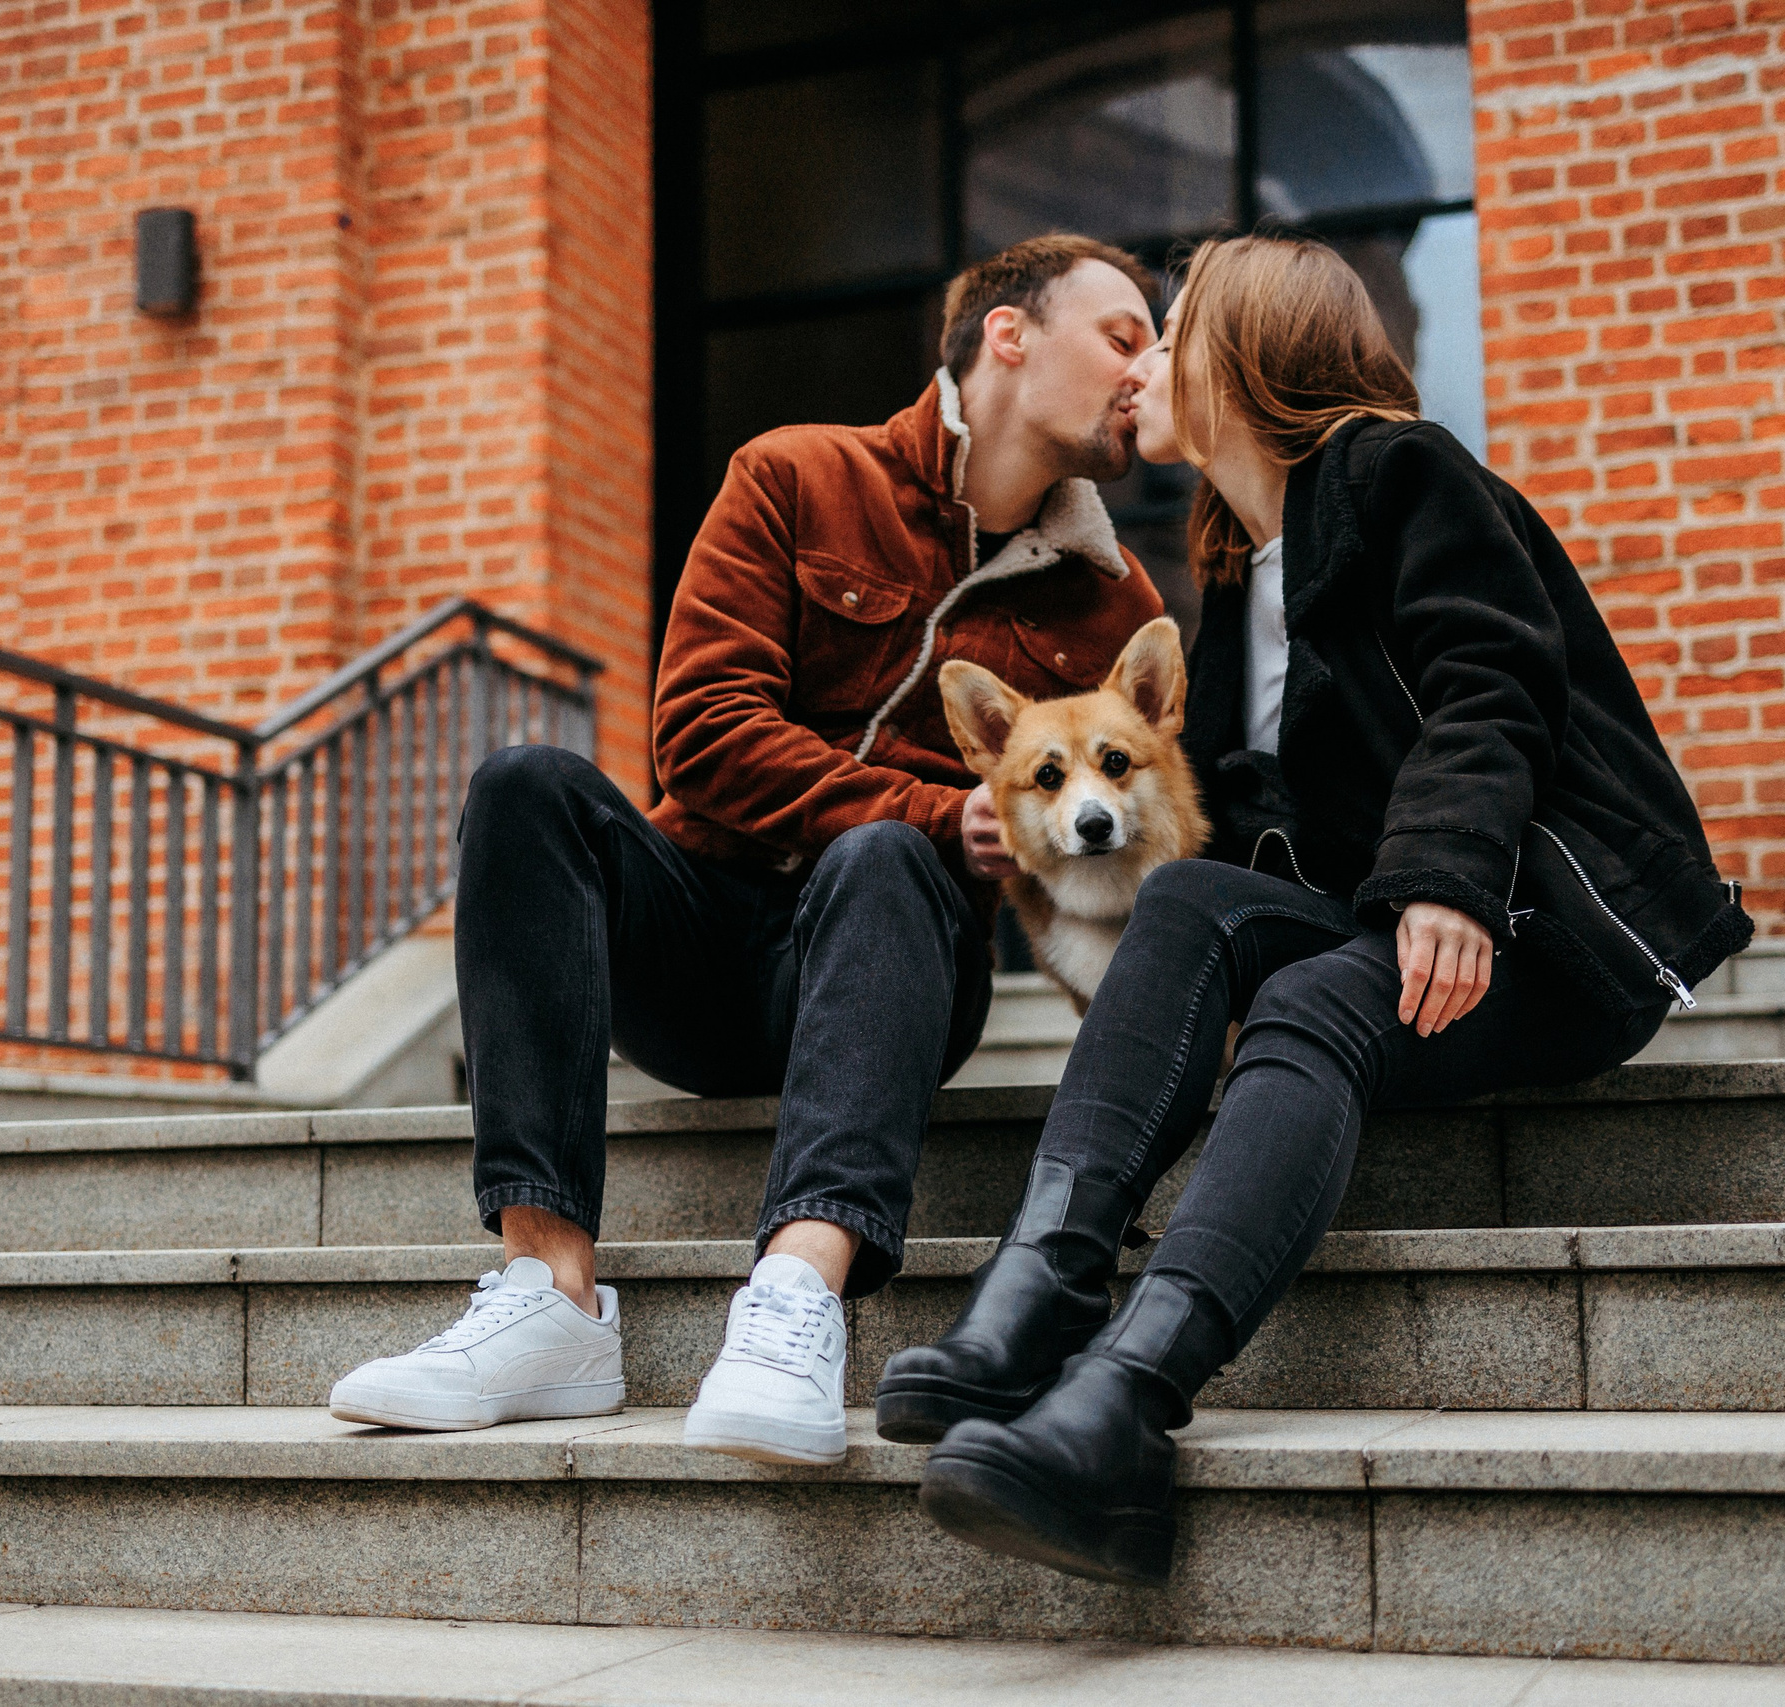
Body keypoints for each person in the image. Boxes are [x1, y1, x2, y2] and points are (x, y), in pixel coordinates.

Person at [880, 234, 1752, 1581]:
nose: (1143, 364)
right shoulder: (1240, 571)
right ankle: (1035, 1296)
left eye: (1167, 336)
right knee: (1186, 911)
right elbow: (1250, 804)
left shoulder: (1403, 473)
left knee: (1312, 992)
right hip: (1385, 925)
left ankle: (1127, 1403)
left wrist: (1450, 877)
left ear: (1245, 354)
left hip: (1541, 930)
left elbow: (1491, 686)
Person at [327, 235, 1169, 1465]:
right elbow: (702, 733)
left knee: (883, 855)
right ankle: (548, 1301)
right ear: (1008, 335)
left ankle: (796, 1298)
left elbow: (1109, 850)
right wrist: (940, 807)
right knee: (526, 787)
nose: (1144, 371)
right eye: (1123, 335)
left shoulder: (1116, 607)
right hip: (706, 950)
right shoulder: (795, 477)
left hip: (899, 963)